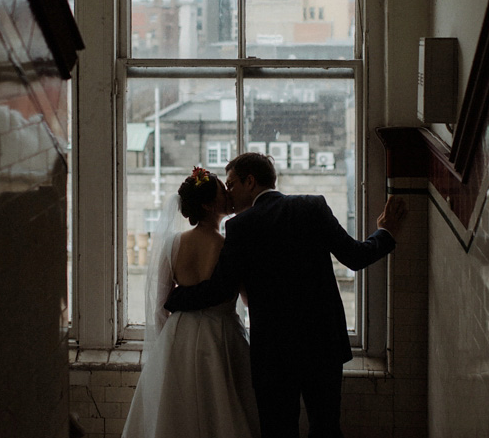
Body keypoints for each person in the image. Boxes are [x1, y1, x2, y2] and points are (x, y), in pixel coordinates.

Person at [165, 152, 406, 438]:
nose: (228, 194)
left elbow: (220, 289)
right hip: (323, 344)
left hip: (274, 352)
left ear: (250, 181)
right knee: (326, 428)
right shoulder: (312, 206)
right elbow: (354, 257)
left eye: (231, 185)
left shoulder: (239, 227)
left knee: (279, 431)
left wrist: (176, 299)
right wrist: (385, 232)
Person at [122, 166, 260, 438]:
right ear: (209, 205)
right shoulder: (229, 245)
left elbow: (160, 304)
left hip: (179, 335)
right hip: (222, 333)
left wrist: (168, 345)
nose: (229, 194)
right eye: (223, 191)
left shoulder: (173, 244)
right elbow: (248, 299)